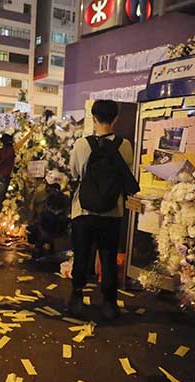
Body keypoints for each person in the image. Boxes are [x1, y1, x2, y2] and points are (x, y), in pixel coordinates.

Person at [68, 100, 134, 321]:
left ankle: (76, 297)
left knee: (82, 255)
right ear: (115, 119)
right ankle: (109, 303)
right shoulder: (124, 145)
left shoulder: (81, 144)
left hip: (83, 211)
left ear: (93, 118)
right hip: (112, 212)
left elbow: (75, 173)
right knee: (108, 256)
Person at [0, 130, 33, 215]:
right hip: (5, 177)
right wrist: (30, 133)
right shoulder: (13, 149)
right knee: (0, 199)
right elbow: (22, 141)